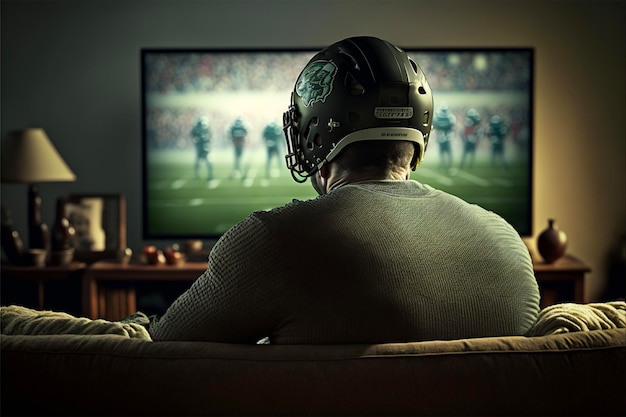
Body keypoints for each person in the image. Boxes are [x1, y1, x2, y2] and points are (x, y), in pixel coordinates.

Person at [149, 36, 539, 344]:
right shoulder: (506, 243)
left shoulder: (274, 241)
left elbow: (163, 348)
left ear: (314, 132)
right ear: (420, 131)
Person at [190, 116, 212, 181]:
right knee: (204, 161)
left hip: (203, 146)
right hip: (203, 146)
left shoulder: (197, 128)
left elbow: (192, 135)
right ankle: (207, 175)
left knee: (202, 161)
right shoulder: (204, 128)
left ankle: (198, 175)